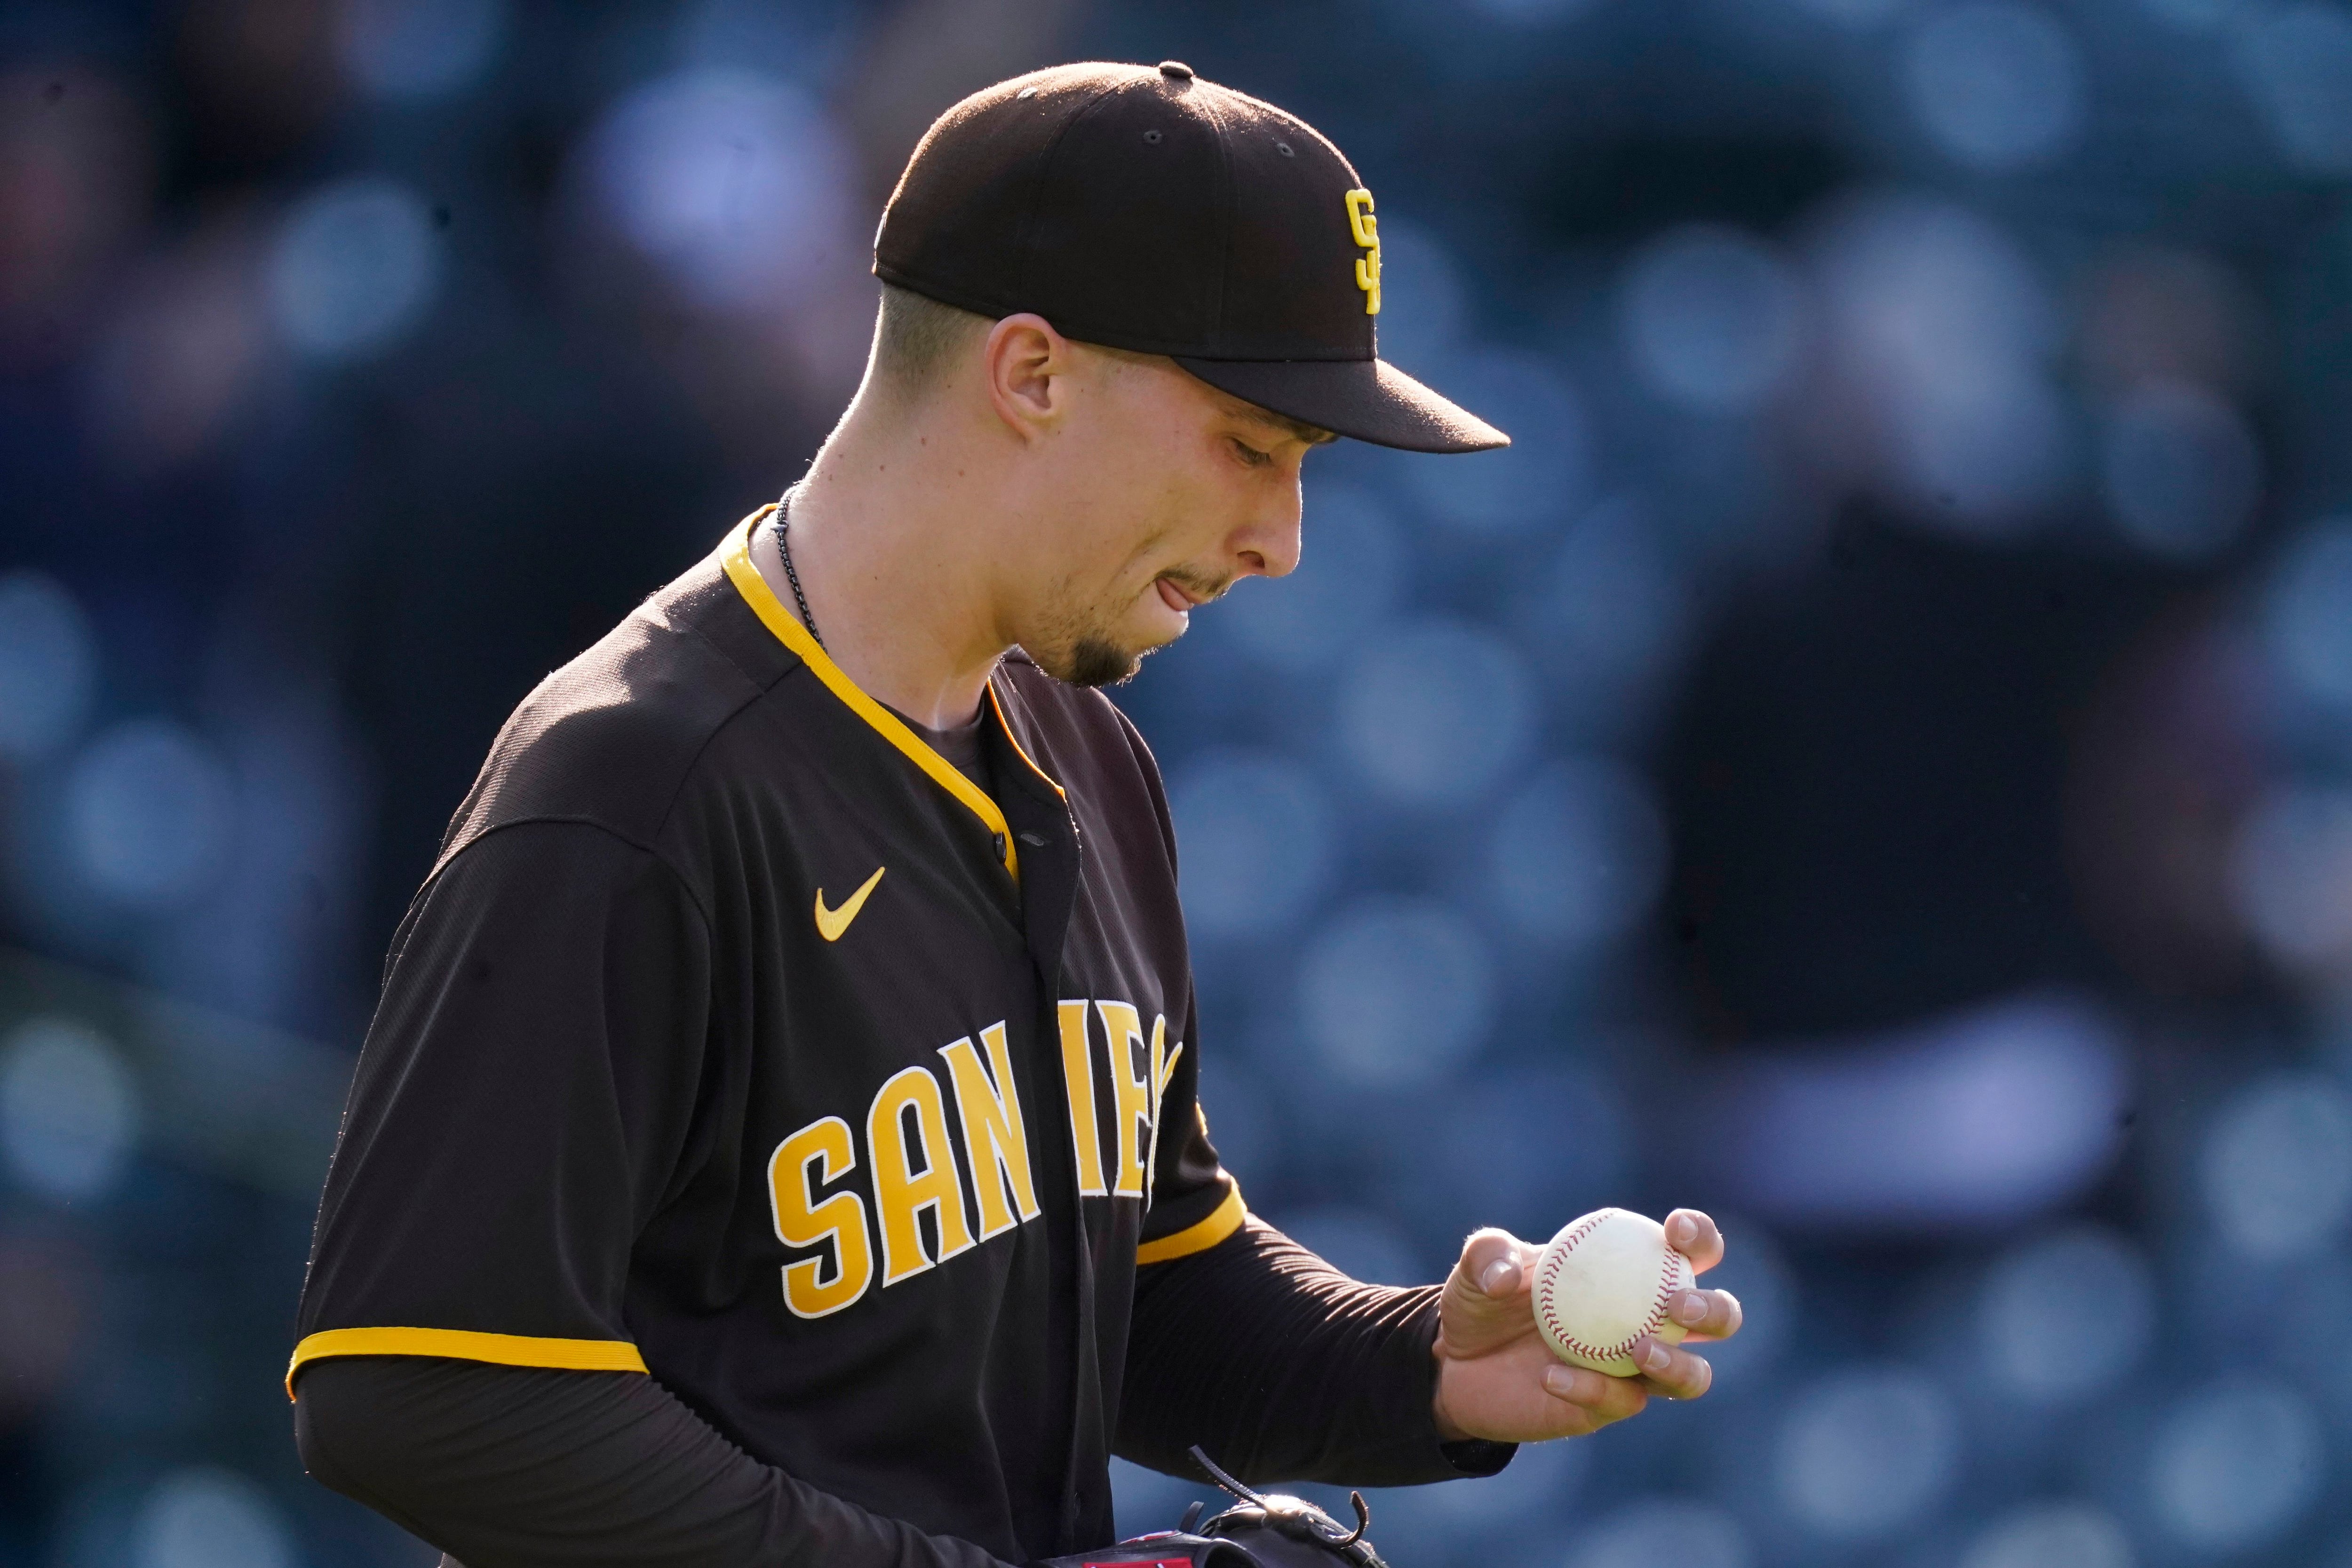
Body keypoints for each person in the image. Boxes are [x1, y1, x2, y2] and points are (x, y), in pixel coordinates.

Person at [288, 61, 1741, 1568]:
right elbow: (420, 1384)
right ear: (1034, 373)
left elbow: (1147, 1290)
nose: (1283, 538)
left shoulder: (1089, 764)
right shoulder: (634, 788)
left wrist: (1423, 1365)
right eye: (1252, 445)